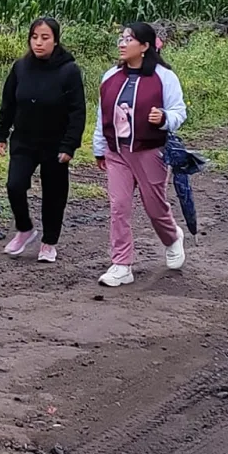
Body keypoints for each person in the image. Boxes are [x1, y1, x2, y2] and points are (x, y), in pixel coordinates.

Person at [93, 23, 188, 288]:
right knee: (119, 206)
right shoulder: (110, 76)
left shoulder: (164, 77)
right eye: (121, 38)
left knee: (155, 208)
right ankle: (121, 264)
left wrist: (165, 118)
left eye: (129, 39)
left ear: (145, 46)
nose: (122, 44)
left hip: (150, 151)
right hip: (117, 152)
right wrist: (99, 147)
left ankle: (171, 237)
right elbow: (103, 116)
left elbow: (179, 111)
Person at [0, 17, 86, 264]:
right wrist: (1, 134)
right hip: (24, 139)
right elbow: (8, 102)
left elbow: (78, 111)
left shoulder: (68, 70)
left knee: (54, 193)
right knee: (14, 185)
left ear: (55, 40)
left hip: (55, 142)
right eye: (34, 37)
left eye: (45, 38)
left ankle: (49, 242)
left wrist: (70, 145)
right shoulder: (20, 67)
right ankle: (25, 229)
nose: (39, 43)